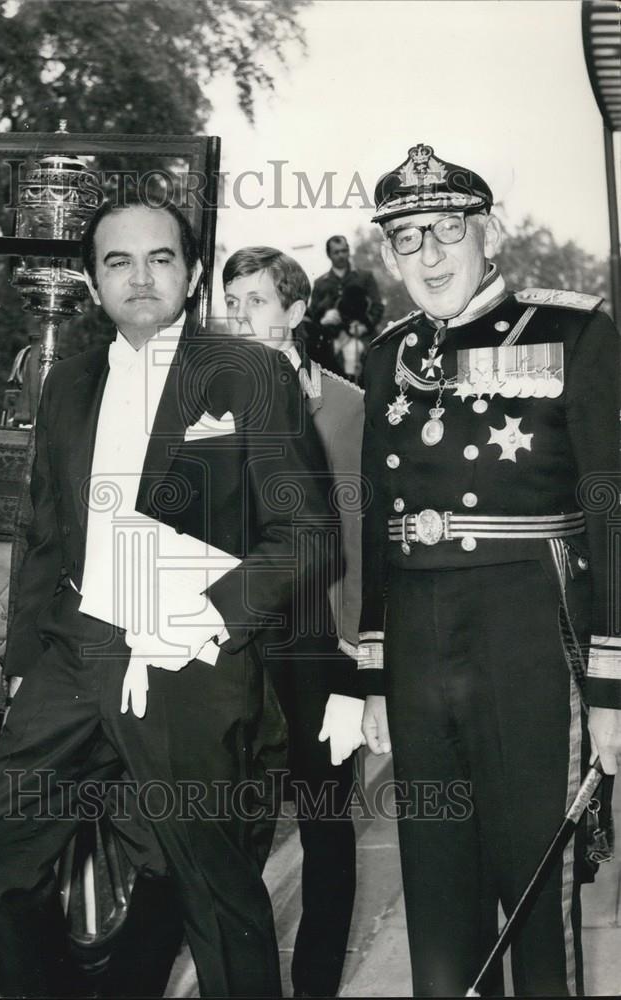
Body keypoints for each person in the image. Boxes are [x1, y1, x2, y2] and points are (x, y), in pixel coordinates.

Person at [0, 196, 336, 998]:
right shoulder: (66, 383)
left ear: (193, 273)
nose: (140, 277)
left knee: (211, 889)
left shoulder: (250, 372)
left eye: (160, 258)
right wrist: (25, 663)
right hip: (77, 652)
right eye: (117, 262)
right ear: (93, 284)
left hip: (190, 663)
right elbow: (46, 534)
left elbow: (307, 538)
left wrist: (204, 615)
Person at [357, 142, 621, 997]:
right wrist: (372, 674)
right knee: (437, 891)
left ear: (489, 232)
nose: (428, 256)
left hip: (529, 636)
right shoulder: (387, 351)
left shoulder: (574, 330)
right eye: (407, 239)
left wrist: (613, 691)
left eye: (447, 231)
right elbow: (373, 516)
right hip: (421, 650)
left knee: (535, 889)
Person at [223, 246, 366, 997]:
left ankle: (314, 988)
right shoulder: (215, 404)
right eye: (233, 301)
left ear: (298, 312)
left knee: (325, 826)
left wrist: (360, 657)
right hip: (241, 646)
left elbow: (359, 532)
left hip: (322, 649)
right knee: (237, 826)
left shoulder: (346, 407)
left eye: (257, 301)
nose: (241, 316)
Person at [306, 234, 384, 379]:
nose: (341, 255)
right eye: (336, 252)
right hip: (331, 338)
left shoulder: (364, 277)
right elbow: (313, 316)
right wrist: (324, 320)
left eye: (344, 250)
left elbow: (377, 306)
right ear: (329, 255)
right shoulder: (320, 283)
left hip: (362, 335)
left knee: (374, 368)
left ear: (349, 251)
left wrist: (365, 326)